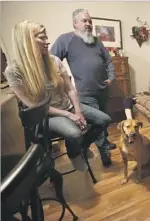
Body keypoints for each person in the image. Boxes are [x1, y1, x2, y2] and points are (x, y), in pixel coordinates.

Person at [4, 20, 112, 170]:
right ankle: (74, 154)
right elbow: (35, 106)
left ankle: (80, 147)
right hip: (48, 115)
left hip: (67, 106)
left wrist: (78, 111)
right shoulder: (13, 71)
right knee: (74, 134)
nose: (47, 41)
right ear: (27, 41)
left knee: (104, 120)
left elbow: (70, 89)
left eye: (46, 37)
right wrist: (69, 116)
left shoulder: (54, 61)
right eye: (42, 37)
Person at [50, 8, 116, 166]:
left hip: (103, 90)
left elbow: (108, 61)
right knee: (97, 123)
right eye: (84, 21)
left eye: (90, 21)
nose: (88, 24)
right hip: (85, 93)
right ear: (74, 23)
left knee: (104, 122)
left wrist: (111, 78)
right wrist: (62, 83)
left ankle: (103, 143)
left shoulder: (97, 41)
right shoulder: (65, 39)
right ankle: (104, 152)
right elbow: (51, 62)